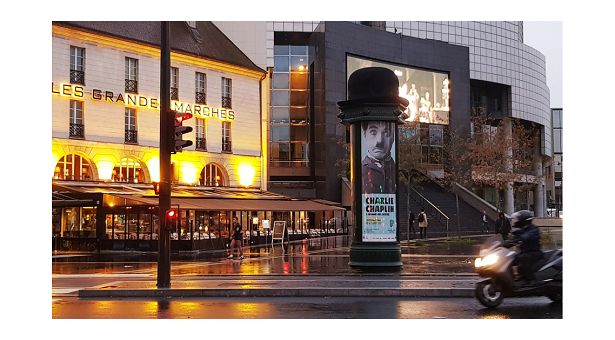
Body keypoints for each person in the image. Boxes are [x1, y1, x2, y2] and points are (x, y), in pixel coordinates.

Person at [508, 210, 542, 285]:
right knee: (509, 260)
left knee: (523, 258)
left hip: (534, 252)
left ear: (524, 220)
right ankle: (512, 279)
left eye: (518, 219)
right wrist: (506, 243)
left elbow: (528, 236)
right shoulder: (521, 229)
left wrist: (521, 236)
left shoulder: (534, 229)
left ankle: (531, 279)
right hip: (524, 252)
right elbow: (514, 240)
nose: (517, 221)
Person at [361, 121, 396, 194]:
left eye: (386, 133)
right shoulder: (359, 169)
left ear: (393, 138)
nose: (379, 141)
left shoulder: (397, 170)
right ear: (365, 136)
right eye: (373, 132)